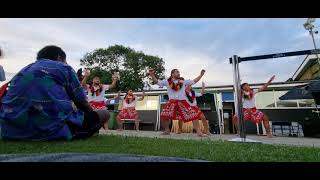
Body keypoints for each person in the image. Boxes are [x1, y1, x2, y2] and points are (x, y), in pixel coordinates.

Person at [0, 45, 108, 141]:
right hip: (49, 130)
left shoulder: (22, 71)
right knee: (104, 113)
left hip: (10, 131)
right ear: (59, 58)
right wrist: (93, 118)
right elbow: (81, 102)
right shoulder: (63, 68)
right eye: (66, 60)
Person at [149, 68, 207, 137]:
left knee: (193, 115)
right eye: (177, 72)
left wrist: (201, 75)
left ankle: (199, 132)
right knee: (163, 115)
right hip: (172, 102)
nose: (179, 73)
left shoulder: (183, 81)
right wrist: (152, 75)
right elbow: (157, 82)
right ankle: (167, 130)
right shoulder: (167, 81)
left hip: (182, 102)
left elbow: (194, 81)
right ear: (172, 74)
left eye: (179, 72)